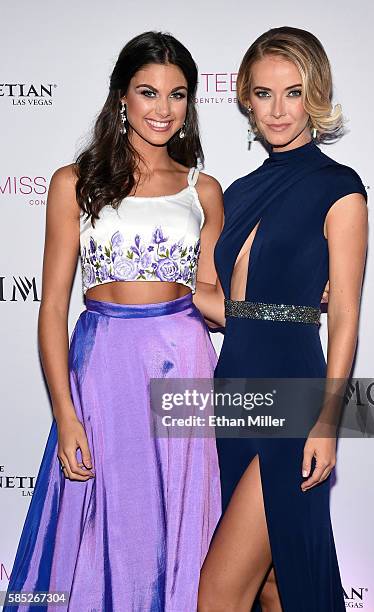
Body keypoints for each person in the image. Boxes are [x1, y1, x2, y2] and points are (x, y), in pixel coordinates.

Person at [4, 31, 223, 612]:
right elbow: (53, 309)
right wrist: (65, 412)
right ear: (121, 96)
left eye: (177, 95)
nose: (162, 108)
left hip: (186, 365)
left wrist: (295, 307)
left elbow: (214, 299)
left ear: (190, 103)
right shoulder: (72, 183)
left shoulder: (203, 190)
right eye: (148, 92)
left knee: (183, 522)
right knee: (108, 523)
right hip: (104, 366)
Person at [195, 26, 368, 612]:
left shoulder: (339, 189)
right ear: (246, 97)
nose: (277, 109)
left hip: (292, 392)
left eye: (292, 92)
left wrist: (327, 420)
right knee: (271, 584)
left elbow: (344, 314)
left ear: (313, 94)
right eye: (263, 94)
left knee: (219, 591)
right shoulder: (237, 192)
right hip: (234, 388)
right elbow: (231, 308)